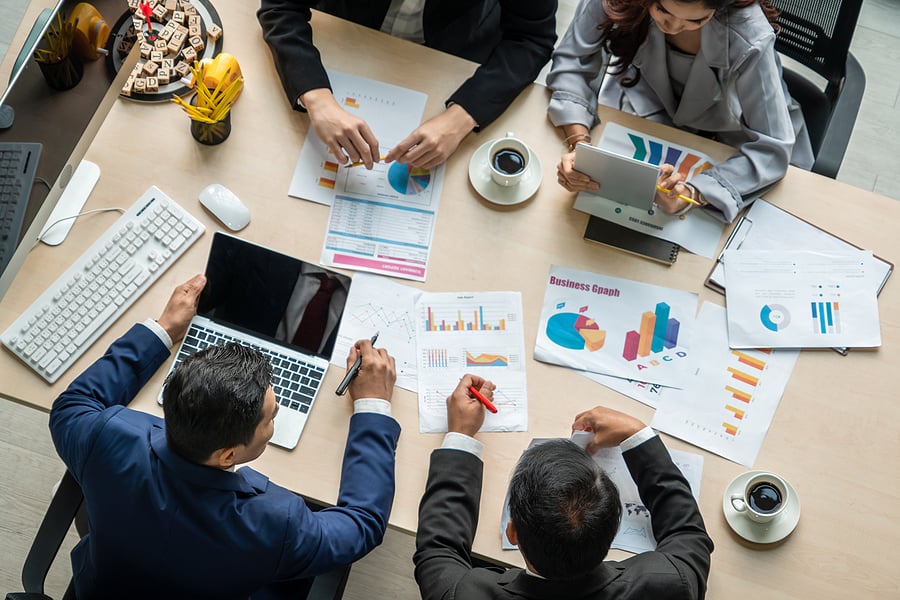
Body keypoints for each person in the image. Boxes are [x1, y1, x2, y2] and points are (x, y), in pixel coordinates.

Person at [48, 274, 401, 600]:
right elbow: (363, 525)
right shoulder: (275, 523)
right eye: (271, 417)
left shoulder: (105, 438)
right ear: (227, 455)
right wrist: (373, 405)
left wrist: (163, 329)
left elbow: (72, 404)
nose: (276, 413)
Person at [414, 374, 713, 599]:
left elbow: (437, 552)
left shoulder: (458, 593)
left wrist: (460, 436)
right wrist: (637, 435)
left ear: (512, 532)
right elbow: (688, 536)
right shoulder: (672, 583)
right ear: (611, 535)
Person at [548, 0, 814, 223]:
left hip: (733, 136)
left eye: (695, 20)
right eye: (662, 9)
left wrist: (694, 193)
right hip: (651, 111)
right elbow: (572, 63)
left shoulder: (751, 34)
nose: (672, 27)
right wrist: (580, 146)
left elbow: (772, 147)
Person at [257, 0, 558, 170]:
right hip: (347, 35)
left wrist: (461, 118)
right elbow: (280, 6)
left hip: (450, 52)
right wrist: (315, 97)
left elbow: (531, 39)